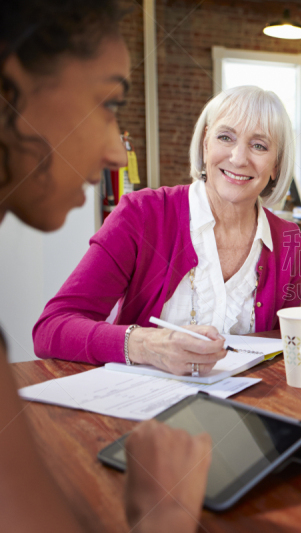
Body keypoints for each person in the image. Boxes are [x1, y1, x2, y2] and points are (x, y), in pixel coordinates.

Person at [0, 0, 211, 530]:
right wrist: (165, 511)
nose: (119, 155)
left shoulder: (285, 240)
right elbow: (53, 326)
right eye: (110, 102)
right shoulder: (146, 212)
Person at [32, 84, 301, 376]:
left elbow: (284, 350)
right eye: (225, 137)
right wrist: (145, 345)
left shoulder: (291, 243)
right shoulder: (140, 215)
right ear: (205, 145)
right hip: (140, 411)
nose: (239, 158)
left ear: (276, 165)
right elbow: (52, 328)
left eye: (259, 146)